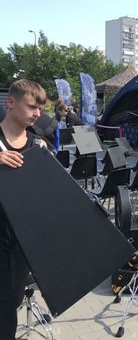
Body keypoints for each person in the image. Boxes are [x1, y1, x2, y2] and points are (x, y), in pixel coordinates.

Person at [0, 79, 48, 340]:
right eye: (32, 107)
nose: (37, 113)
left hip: (20, 242)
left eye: (40, 108)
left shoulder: (38, 145)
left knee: (12, 301)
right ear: (10, 103)